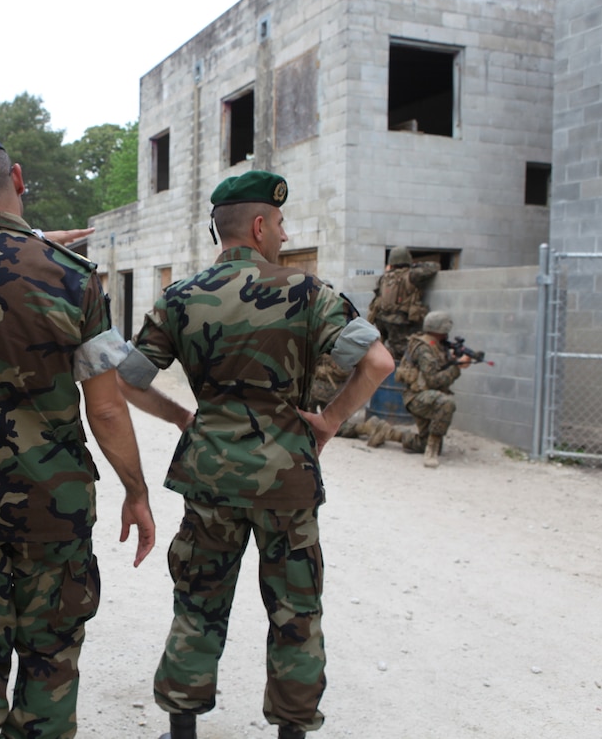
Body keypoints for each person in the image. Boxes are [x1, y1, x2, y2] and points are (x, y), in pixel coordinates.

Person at [114, 170, 393, 739]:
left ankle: (183, 729)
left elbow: (130, 377)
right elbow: (378, 364)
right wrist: (330, 421)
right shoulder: (309, 293)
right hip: (286, 481)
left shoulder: (180, 298)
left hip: (210, 478)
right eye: (282, 225)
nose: (285, 237)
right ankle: (291, 729)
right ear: (260, 225)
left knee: (197, 606)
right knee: (295, 613)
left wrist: (181, 417)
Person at [0, 128, 156, 739]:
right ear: (17, 178)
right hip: (54, 504)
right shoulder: (76, 280)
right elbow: (108, 410)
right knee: (50, 658)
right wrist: (137, 491)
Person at [391, 310, 472, 468]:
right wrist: (457, 367)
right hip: (417, 398)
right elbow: (434, 380)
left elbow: (439, 370)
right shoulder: (425, 348)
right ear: (440, 329)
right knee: (447, 403)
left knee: (421, 442)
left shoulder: (437, 345)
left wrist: (454, 360)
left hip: (427, 396)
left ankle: (385, 432)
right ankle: (431, 451)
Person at [366, 245, 439, 360]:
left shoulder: (384, 277)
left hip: (382, 319)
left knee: (387, 348)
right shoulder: (411, 274)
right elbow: (434, 267)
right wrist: (415, 265)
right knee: (403, 354)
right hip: (401, 321)